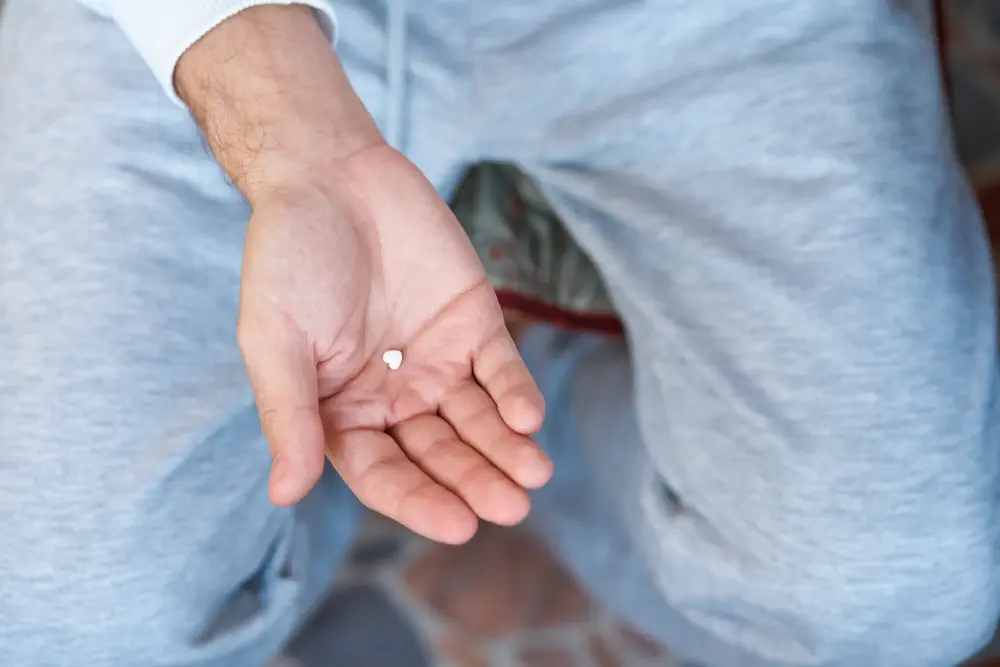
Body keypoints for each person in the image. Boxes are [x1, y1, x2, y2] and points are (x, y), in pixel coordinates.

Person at [0, 0, 997, 665]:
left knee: (897, 599)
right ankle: (284, 505)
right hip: (187, 25)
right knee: (68, 620)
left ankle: (558, 411)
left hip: (706, 21)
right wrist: (291, 133)